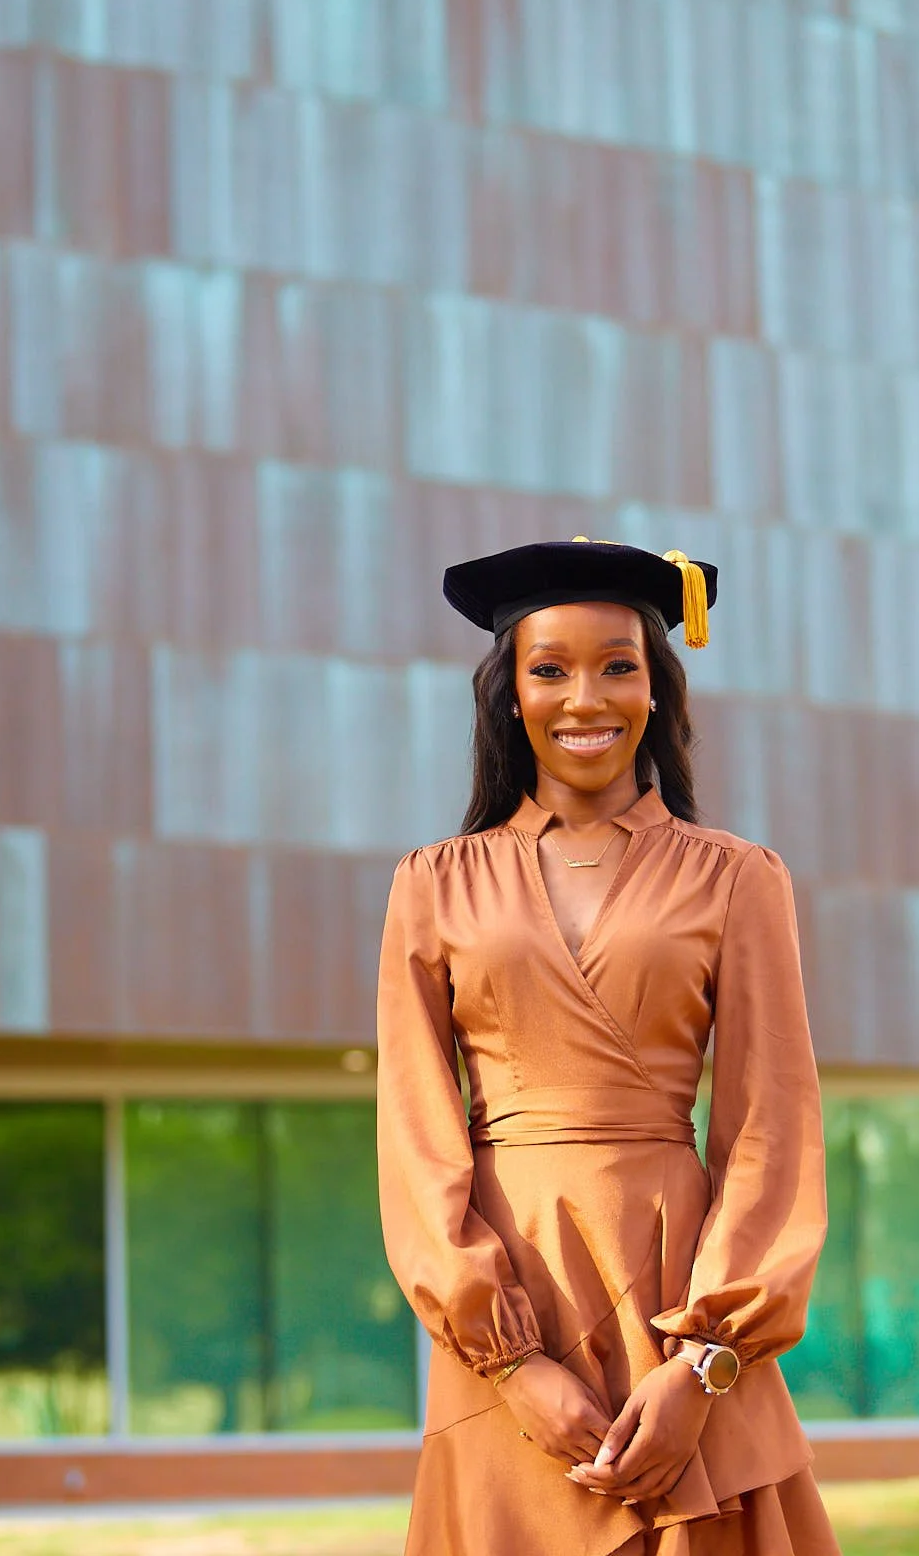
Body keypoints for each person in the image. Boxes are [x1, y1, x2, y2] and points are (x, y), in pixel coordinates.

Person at [376, 539, 840, 1556]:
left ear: (658, 688)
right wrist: (510, 1362)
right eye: (549, 668)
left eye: (618, 664)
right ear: (509, 695)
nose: (584, 696)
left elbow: (771, 1125)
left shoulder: (740, 878)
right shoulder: (432, 883)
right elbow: (417, 1137)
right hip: (508, 1296)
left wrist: (708, 1361)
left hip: (681, 1297)